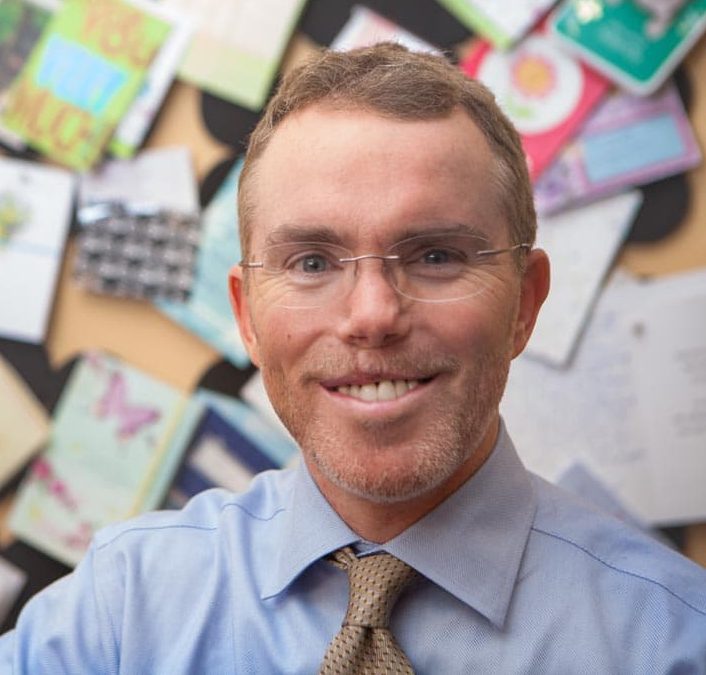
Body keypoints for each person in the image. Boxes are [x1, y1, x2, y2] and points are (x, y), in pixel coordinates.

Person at [2, 43, 706, 674]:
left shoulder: (674, 641)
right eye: (311, 261)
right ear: (246, 315)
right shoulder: (119, 611)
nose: (371, 314)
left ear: (525, 302)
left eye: (436, 255)